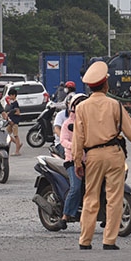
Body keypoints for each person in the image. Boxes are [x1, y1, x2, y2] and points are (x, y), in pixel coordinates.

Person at [73, 61, 131, 250]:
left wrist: (77, 161)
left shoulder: (81, 107)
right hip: (114, 154)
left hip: (92, 155)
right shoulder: (115, 105)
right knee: (114, 198)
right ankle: (109, 240)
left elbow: (78, 137)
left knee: (90, 197)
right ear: (106, 85)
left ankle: (85, 240)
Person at [59, 93, 88, 223]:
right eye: (79, 105)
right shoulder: (67, 124)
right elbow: (63, 141)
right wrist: (76, 146)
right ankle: (65, 215)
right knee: (75, 187)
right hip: (72, 160)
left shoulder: (92, 123)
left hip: (90, 160)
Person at [3, 85, 23, 155]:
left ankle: (17, 151)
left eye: (11, 95)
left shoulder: (15, 103)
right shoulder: (12, 103)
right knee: (6, 134)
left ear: (14, 95)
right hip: (10, 122)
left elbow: (18, 112)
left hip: (14, 122)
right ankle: (18, 144)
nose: (10, 97)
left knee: (15, 135)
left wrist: (10, 113)